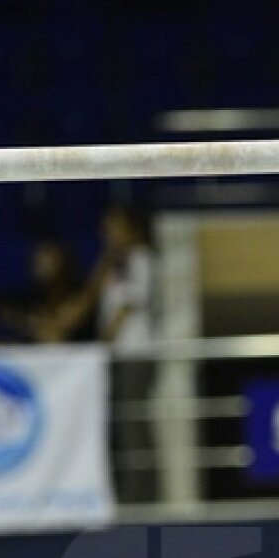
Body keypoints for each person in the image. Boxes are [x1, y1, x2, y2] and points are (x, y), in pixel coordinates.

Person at [96, 204, 158, 503]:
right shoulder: (114, 264)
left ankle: (142, 495)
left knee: (134, 424)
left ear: (131, 229)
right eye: (107, 229)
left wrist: (104, 340)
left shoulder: (141, 258)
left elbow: (128, 305)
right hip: (119, 353)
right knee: (124, 425)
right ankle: (131, 490)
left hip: (135, 350)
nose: (110, 235)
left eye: (115, 228)